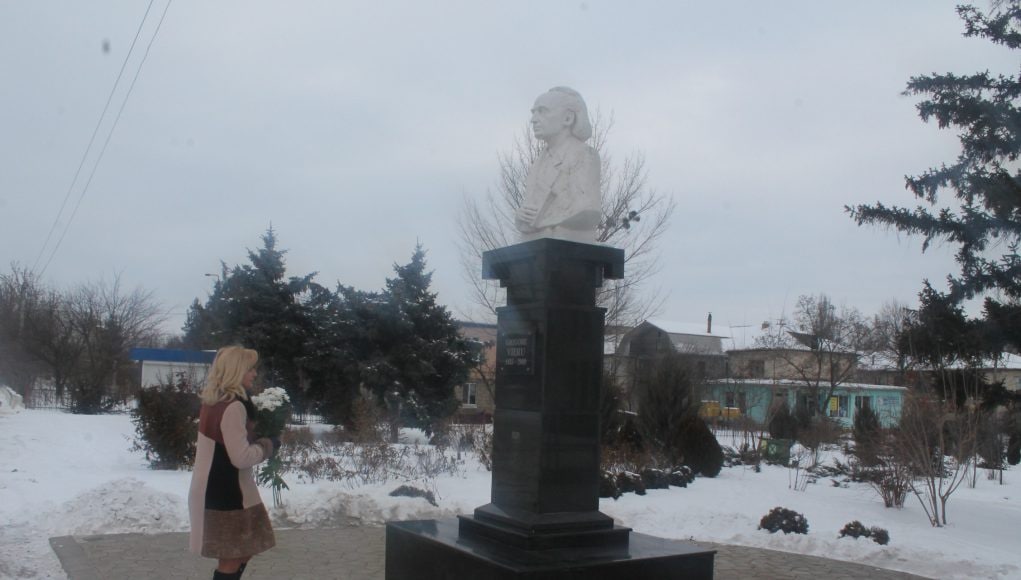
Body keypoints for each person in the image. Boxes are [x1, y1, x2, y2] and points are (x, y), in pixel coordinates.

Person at [189, 346, 277, 579]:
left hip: (215, 487)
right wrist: (267, 446)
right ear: (236, 370)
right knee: (232, 557)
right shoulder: (233, 406)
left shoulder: (215, 401)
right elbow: (240, 457)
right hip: (227, 492)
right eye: (250, 369)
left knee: (243, 551)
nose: (254, 374)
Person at [515, 86, 602, 244]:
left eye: (542, 111)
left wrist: (543, 220)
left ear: (567, 118)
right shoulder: (538, 164)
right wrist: (521, 216)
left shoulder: (585, 155)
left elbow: (589, 210)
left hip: (566, 244)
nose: (533, 119)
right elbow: (530, 209)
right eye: (534, 112)